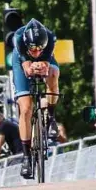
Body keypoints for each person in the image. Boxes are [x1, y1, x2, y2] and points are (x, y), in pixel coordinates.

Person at [11, 18, 60, 179]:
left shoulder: (50, 39)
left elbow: (45, 62)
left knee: (53, 74)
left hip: (46, 62)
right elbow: (26, 69)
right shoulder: (18, 39)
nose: (37, 52)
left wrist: (43, 65)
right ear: (27, 44)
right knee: (25, 108)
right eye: (33, 49)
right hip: (21, 62)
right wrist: (30, 67)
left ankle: (51, 117)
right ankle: (26, 157)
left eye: (40, 48)